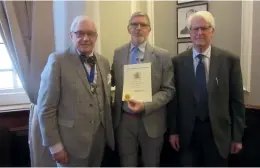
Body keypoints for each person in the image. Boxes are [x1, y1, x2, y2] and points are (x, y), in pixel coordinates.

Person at [168, 11, 245, 166]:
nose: (199, 33)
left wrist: (237, 137)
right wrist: (173, 131)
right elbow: (174, 101)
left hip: (218, 134)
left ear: (212, 31)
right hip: (187, 135)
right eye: (195, 29)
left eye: (204, 28)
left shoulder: (230, 60)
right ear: (189, 32)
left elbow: (237, 101)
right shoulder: (177, 62)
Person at [37, 15, 114, 167]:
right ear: (71, 36)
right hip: (70, 144)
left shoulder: (104, 62)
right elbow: (46, 108)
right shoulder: (57, 61)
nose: (86, 38)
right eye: (80, 33)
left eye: (90, 34)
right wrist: (55, 146)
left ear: (96, 37)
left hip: (99, 141)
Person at [111, 11, 175, 166]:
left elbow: (169, 90)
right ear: (128, 28)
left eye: (143, 25)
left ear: (149, 30)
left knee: (151, 163)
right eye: (134, 24)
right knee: (127, 164)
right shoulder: (118, 53)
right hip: (125, 121)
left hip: (152, 121)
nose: (138, 28)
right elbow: (114, 83)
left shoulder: (162, 55)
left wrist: (146, 105)